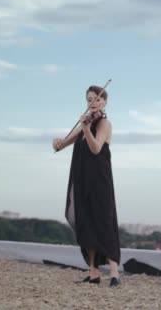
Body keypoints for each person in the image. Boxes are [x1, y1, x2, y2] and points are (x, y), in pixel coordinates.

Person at [52, 85, 121, 287]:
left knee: (104, 222)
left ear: (105, 102)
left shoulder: (104, 123)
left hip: (100, 181)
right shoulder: (85, 122)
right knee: (86, 223)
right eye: (90, 99)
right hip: (83, 179)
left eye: (97, 99)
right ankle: (93, 273)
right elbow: (63, 144)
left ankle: (115, 274)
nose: (93, 102)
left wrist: (84, 128)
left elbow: (96, 148)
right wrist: (57, 142)